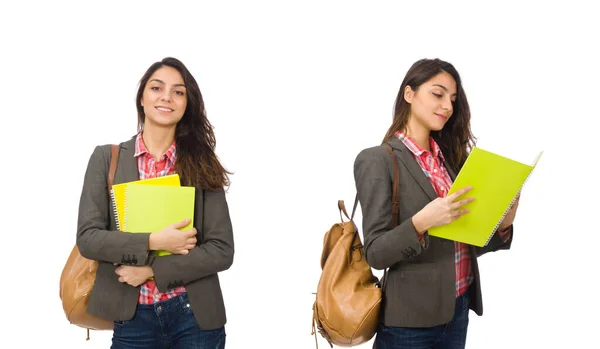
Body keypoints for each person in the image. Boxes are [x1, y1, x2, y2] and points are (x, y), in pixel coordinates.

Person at [353, 58, 518, 349]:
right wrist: (421, 222)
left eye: (453, 99)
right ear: (409, 94)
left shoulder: (449, 161)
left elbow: (461, 243)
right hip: (410, 323)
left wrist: (503, 223)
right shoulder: (377, 160)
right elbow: (375, 253)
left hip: (457, 310)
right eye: (438, 94)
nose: (448, 107)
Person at [76, 57, 234, 349]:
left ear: (187, 104)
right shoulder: (106, 159)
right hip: (132, 318)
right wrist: (153, 240)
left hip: (195, 317)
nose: (166, 97)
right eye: (156, 87)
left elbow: (222, 251)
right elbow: (88, 239)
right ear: (142, 98)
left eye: (178, 91)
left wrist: (151, 272)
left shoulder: (202, 164)